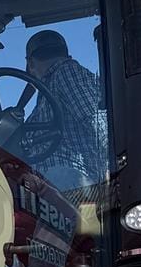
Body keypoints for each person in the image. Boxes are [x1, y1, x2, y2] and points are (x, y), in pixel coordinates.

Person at [18, 28, 107, 195]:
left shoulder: (66, 72)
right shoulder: (49, 89)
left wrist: (112, 175)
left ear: (30, 64)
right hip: (53, 180)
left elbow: (96, 122)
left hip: (70, 177)